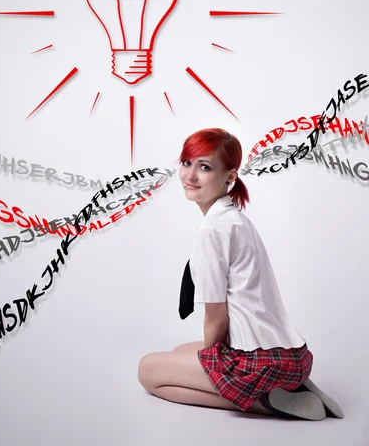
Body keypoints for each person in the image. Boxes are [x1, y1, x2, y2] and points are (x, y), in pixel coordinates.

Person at [138, 128, 343, 420]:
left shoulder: (212, 230)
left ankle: (266, 401)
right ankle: (293, 386)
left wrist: (216, 365)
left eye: (204, 167)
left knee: (148, 371)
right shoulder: (235, 219)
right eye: (186, 163)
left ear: (229, 177)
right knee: (178, 350)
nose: (190, 176)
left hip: (257, 362)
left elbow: (216, 317)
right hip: (291, 355)